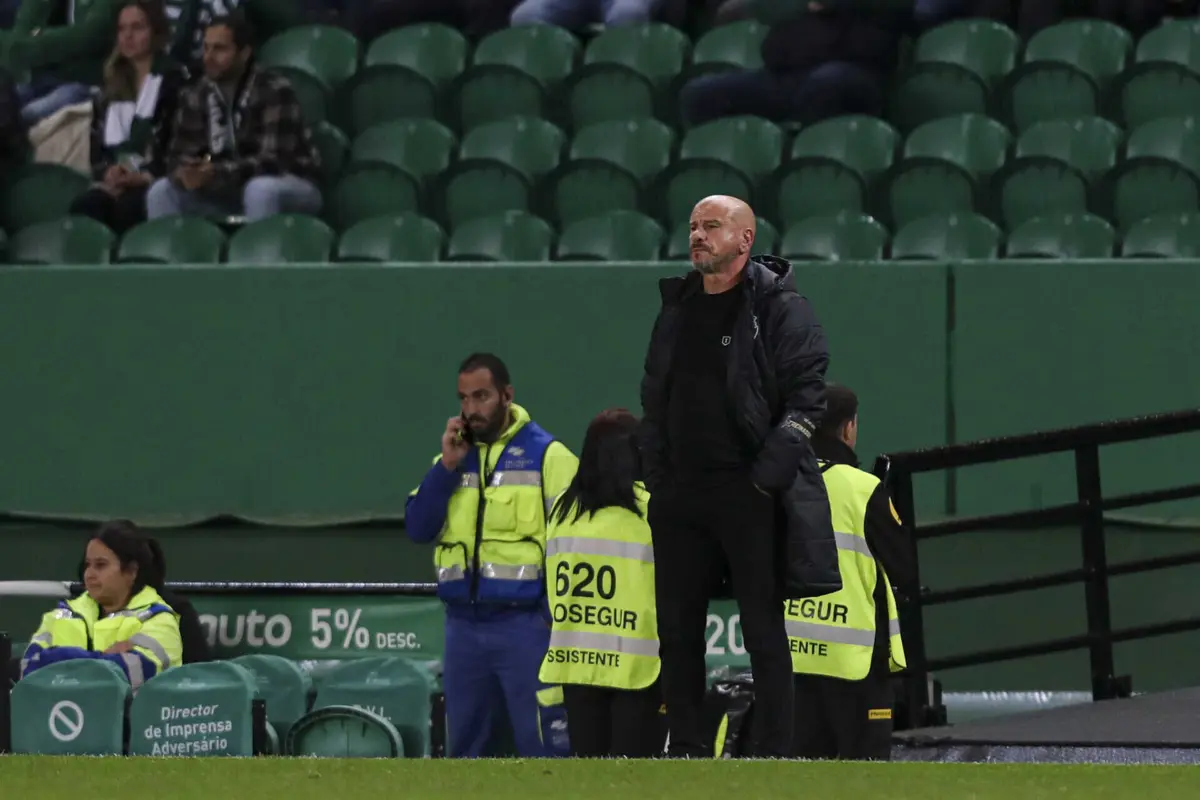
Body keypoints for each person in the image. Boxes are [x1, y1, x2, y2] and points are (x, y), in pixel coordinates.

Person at [637, 193, 840, 759]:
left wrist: (763, 480)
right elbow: (654, 397)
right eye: (694, 227)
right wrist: (658, 476)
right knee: (677, 632)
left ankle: (775, 750)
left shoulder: (781, 307)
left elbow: (807, 400)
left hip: (747, 492)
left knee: (763, 631)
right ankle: (689, 747)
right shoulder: (675, 306)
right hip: (680, 493)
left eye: (712, 227)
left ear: (745, 240)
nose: (697, 236)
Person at [405, 352, 580, 758]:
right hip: (463, 629)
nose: (470, 410)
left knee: (544, 751)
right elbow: (418, 528)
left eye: (480, 397)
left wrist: (553, 617)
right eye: (463, 399)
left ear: (507, 395)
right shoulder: (450, 460)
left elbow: (576, 544)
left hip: (528, 628)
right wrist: (447, 465)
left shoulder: (550, 457)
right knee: (466, 751)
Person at [789, 383, 913, 760]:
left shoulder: (782, 483)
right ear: (849, 428)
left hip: (794, 658)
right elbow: (903, 567)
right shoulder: (865, 489)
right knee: (865, 778)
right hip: (856, 663)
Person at [538, 408, 666, 758]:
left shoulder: (563, 513)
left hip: (578, 664)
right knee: (634, 778)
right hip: (637, 668)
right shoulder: (652, 510)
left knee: (589, 777)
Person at [144, 13, 322, 222]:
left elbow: (274, 161)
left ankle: (259, 254)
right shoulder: (196, 94)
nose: (208, 57)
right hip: (224, 188)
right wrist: (188, 171)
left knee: (260, 190)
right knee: (161, 191)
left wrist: (215, 173)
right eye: (206, 48)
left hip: (290, 185)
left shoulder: (274, 90)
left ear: (244, 53)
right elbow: (178, 154)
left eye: (219, 49)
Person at [20, 520, 183, 692]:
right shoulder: (62, 614)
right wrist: (107, 657)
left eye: (100, 565)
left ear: (131, 571)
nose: (89, 574)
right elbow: (27, 668)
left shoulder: (160, 620)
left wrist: (57, 659)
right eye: (87, 565)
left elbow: (135, 674)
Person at [69, 0, 186, 235]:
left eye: (137, 28)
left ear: (156, 32)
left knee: (129, 206)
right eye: (122, 29)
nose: (128, 36)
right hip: (116, 181)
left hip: (154, 179)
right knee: (86, 206)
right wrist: (108, 172)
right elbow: (97, 149)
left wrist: (142, 176)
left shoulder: (176, 81)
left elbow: (178, 144)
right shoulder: (110, 87)